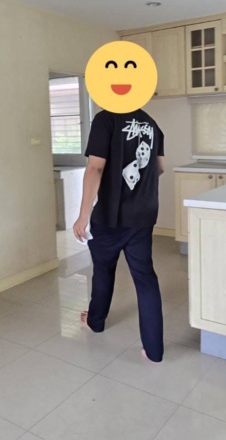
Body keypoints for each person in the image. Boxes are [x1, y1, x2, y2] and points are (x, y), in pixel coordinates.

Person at [73, 108, 165, 363]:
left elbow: (95, 168)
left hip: (110, 216)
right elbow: (159, 168)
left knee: (103, 270)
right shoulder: (151, 122)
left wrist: (83, 215)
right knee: (146, 279)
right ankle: (154, 350)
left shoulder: (105, 120)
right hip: (143, 214)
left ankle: (95, 322)